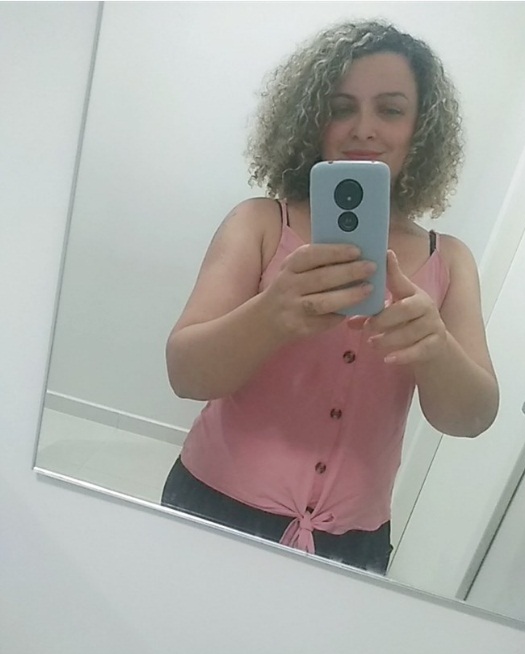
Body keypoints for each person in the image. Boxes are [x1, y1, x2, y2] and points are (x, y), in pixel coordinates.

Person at [161, 20, 499, 574]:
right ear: (312, 120)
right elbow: (185, 375)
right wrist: (272, 313)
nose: (364, 128)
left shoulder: (451, 261)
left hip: (352, 545)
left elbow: (472, 418)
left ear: (421, 128)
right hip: (212, 504)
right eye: (341, 108)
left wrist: (434, 346)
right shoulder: (259, 224)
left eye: (390, 110)